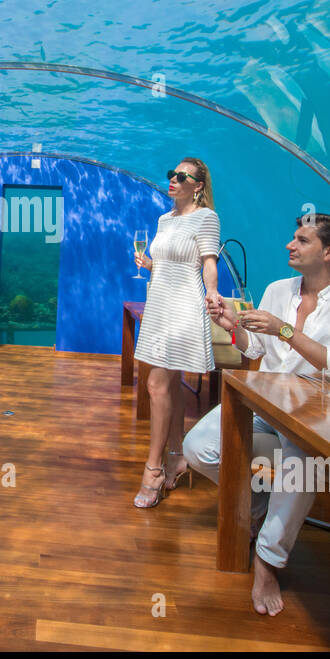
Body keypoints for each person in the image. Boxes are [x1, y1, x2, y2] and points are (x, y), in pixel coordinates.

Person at [175, 214, 330, 614]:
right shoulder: (276, 290)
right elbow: (254, 350)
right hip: (266, 405)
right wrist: (232, 327)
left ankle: (267, 561)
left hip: (316, 416)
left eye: (301, 240)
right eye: (292, 238)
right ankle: (257, 509)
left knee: (301, 467)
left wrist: (285, 330)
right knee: (198, 447)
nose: (290, 245)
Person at [130, 158, 223, 508]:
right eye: (171, 174)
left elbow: (207, 262)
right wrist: (150, 264)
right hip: (157, 304)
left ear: (198, 186)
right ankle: (176, 456)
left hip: (184, 307)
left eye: (182, 176)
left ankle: (153, 469)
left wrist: (212, 293)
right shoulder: (163, 220)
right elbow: (168, 262)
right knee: (167, 384)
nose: (173, 179)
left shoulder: (207, 218)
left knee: (155, 383)